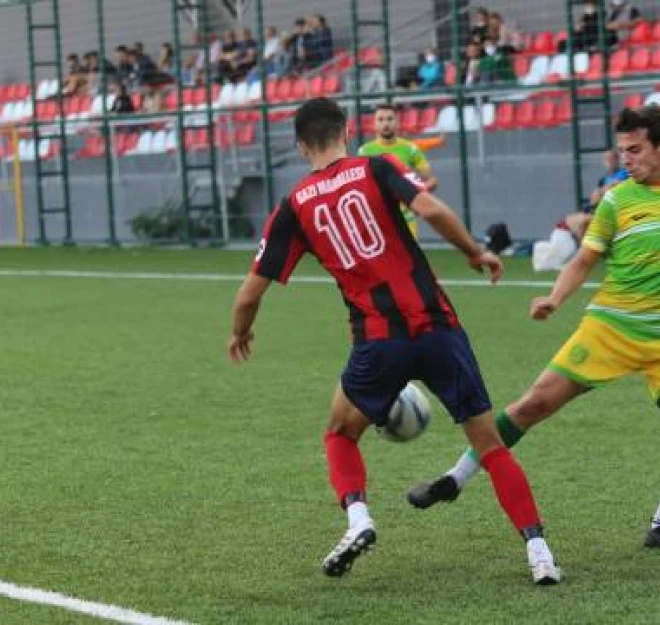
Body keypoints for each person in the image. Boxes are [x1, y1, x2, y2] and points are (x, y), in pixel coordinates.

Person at [228, 97, 561, 585]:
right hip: (437, 327)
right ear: (346, 130)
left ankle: (359, 520)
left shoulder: (294, 206)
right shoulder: (378, 167)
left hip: (377, 340)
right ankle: (539, 552)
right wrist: (474, 252)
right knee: (489, 445)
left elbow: (250, 293)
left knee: (340, 432)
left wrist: (241, 331)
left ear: (301, 146)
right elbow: (432, 209)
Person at [408, 106, 660, 551]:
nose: (626, 158)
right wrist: (554, 298)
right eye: (622, 150)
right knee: (533, 404)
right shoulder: (618, 200)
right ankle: (455, 477)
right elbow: (585, 259)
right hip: (609, 329)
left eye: (636, 149)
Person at [356, 103, 439, 238]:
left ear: (397, 122)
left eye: (390, 119)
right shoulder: (364, 151)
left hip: (406, 219)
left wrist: (416, 192)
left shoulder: (410, 149)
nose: (385, 124)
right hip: (378, 219)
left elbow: (432, 180)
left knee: (410, 258)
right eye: (381, 119)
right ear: (374, 123)